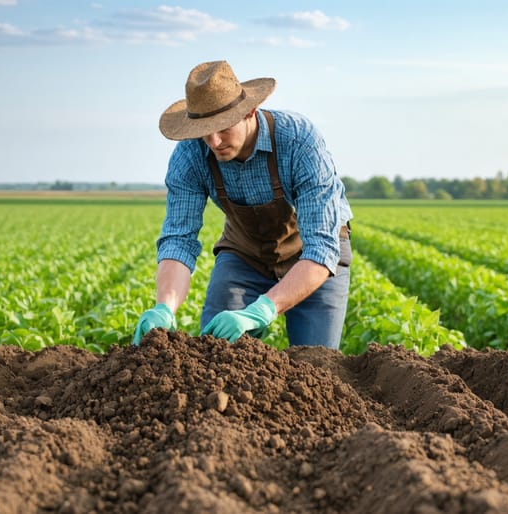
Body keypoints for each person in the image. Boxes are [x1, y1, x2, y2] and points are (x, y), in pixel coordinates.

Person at [132, 60, 353, 349]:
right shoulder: (190, 154)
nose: (213, 140)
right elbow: (179, 240)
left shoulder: (299, 140)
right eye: (204, 130)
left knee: (316, 362)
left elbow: (321, 248)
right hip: (245, 254)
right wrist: (164, 307)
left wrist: (264, 309)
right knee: (216, 355)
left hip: (313, 258)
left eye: (222, 127)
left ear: (249, 111)